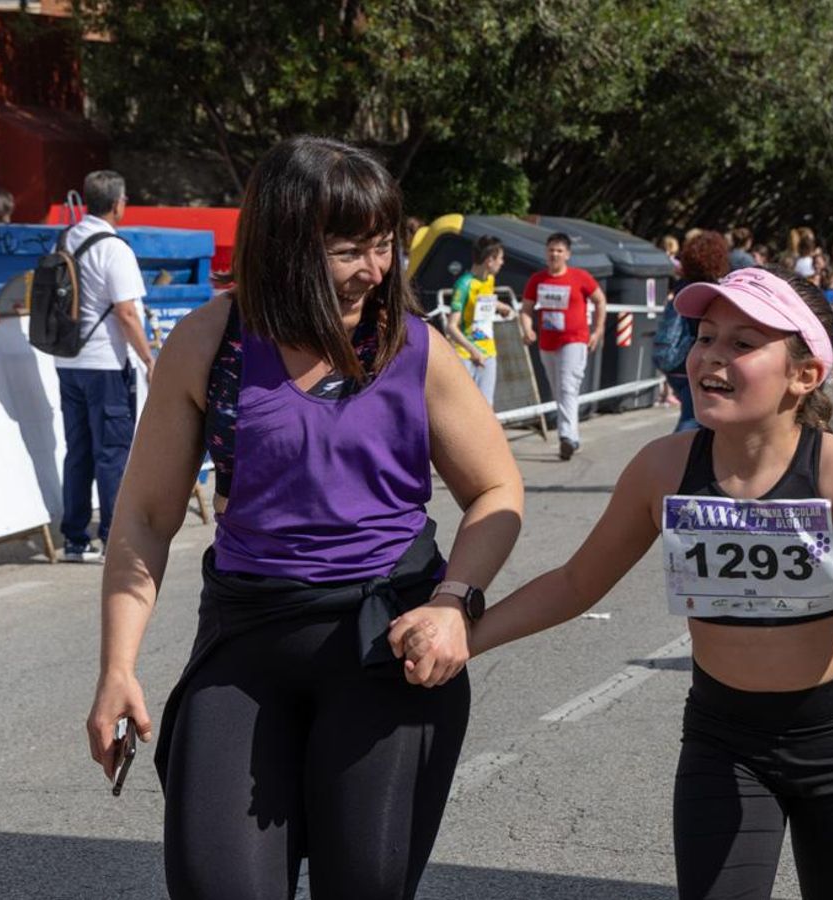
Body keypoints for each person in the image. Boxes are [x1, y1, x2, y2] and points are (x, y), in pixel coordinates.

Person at [401, 265, 833, 900]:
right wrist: (464, 636)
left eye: (743, 343)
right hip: (725, 740)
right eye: (705, 337)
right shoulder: (662, 469)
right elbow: (576, 582)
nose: (712, 356)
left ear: (805, 375)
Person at [84, 136, 524, 898]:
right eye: (348, 251)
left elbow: (497, 491)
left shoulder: (414, 349)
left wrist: (454, 604)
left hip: (386, 646)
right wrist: (117, 669)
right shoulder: (212, 342)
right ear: (284, 246)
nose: (375, 271)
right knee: (215, 883)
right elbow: (147, 519)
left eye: (383, 245)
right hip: (247, 640)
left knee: (365, 884)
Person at [55, 170, 155, 563]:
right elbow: (127, 313)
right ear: (116, 204)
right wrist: (148, 359)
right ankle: (114, 538)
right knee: (112, 451)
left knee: (78, 450)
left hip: (68, 360)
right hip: (106, 363)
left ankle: (75, 539)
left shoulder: (67, 238)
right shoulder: (114, 249)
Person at [520, 232, 607, 460]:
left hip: (574, 339)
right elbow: (526, 309)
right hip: (548, 343)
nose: (554, 254)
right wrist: (527, 329)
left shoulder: (580, 277)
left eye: (559, 250)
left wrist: (598, 330)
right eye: (551, 250)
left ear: (567, 254)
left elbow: (600, 300)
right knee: (559, 389)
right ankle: (572, 437)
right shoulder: (537, 280)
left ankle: (566, 437)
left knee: (568, 386)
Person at [661, 230, 731, 433]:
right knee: (692, 420)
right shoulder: (711, 293)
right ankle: (678, 454)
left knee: (695, 416)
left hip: (674, 361)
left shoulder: (680, 287)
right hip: (694, 361)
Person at [445, 234, 512, 405]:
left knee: (486, 406)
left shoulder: (489, 279)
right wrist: (473, 350)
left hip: (489, 352)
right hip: (467, 355)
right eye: (500, 258)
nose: (502, 262)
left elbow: (484, 300)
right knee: (465, 406)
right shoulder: (464, 284)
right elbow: (451, 327)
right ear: (489, 260)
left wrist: (501, 306)